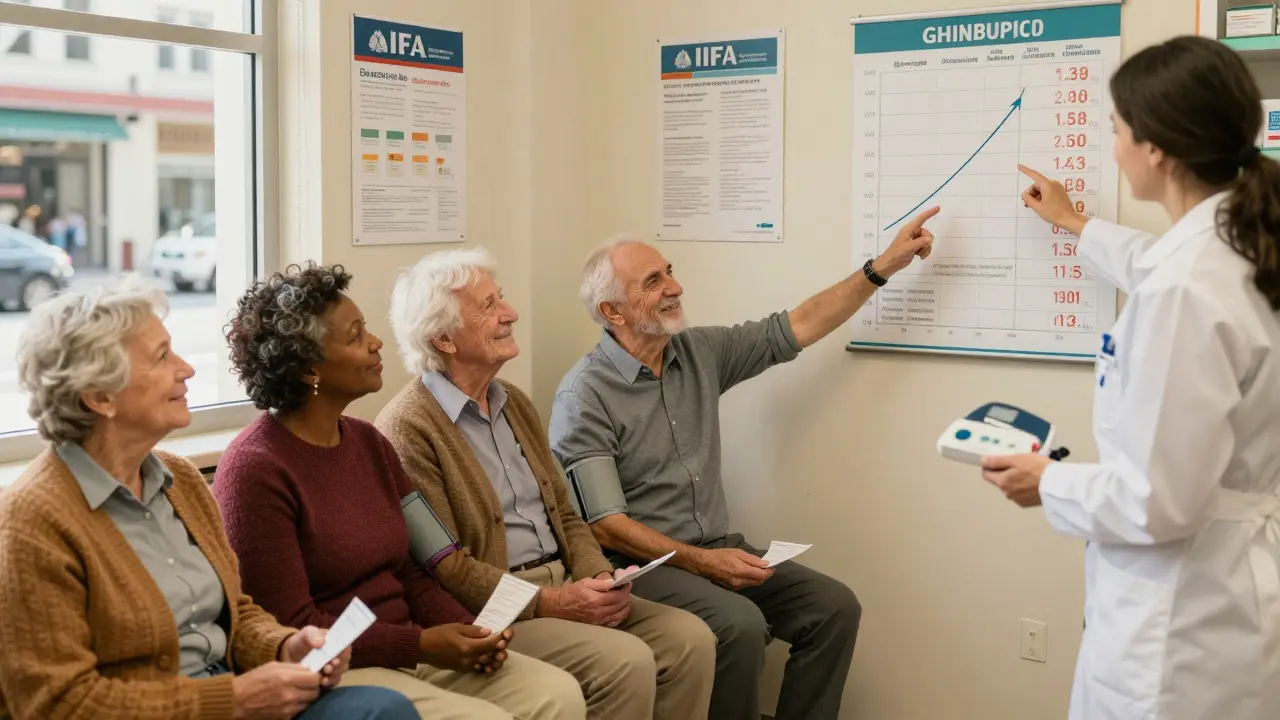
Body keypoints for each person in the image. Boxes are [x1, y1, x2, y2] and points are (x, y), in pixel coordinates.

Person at [982, 36, 1280, 720]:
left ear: (1156, 149)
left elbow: (1158, 502)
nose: (1112, 147)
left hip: (1177, 626)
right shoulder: (1244, 250)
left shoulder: (1186, 289)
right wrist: (1073, 222)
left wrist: (1047, 482)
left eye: (1116, 130)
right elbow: (1158, 263)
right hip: (1232, 600)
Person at [547, 207, 939, 720]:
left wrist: (881, 268)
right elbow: (606, 525)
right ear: (612, 311)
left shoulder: (698, 352)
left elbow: (799, 325)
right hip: (639, 565)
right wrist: (702, 562)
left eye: (669, 271)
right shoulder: (585, 394)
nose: (675, 287)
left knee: (833, 608)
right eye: (653, 281)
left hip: (715, 548)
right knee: (741, 625)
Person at [0, 277, 416, 720]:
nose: (186, 369)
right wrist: (233, 700)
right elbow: (59, 704)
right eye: (162, 357)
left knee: (384, 710)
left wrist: (286, 645)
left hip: (230, 695)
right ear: (100, 397)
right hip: (198, 708)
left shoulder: (178, 479)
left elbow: (235, 612)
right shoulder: (31, 523)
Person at [214, 263, 585, 720]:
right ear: (310, 368)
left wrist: (470, 631)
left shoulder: (369, 443)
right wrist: (421, 644)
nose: (375, 342)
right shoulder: (256, 470)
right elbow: (292, 625)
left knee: (557, 694)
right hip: (340, 668)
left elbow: (411, 571)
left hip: (410, 644)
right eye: (356, 337)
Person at [374, 248, 717, 720]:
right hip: (500, 605)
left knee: (691, 640)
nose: (510, 313)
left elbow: (567, 513)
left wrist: (598, 576)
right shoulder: (407, 428)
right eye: (489, 306)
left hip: (568, 582)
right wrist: (550, 603)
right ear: (444, 339)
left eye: (501, 298)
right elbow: (450, 569)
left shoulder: (512, 402)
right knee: (626, 660)